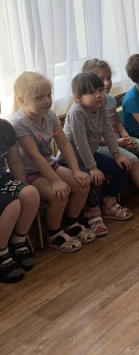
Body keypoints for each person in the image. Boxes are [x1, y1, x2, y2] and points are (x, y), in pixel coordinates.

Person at [11, 72, 93, 251]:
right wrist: (55, 181)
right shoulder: (19, 124)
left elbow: (63, 143)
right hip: (30, 172)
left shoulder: (50, 115)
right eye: (39, 97)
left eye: (48, 95)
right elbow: (35, 156)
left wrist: (75, 170)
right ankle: (54, 233)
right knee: (58, 195)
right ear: (22, 101)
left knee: (83, 184)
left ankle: (71, 222)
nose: (47, 101)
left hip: (50, 164)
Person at [82, 59, 139, 216]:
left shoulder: (110, 100)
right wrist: (118, 142)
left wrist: (125, 135)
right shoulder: (89, 108)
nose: (107, 83)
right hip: (102, 145)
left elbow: (117, 123)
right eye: (101, 79)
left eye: (109, 78)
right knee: (132, 160)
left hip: (119, 139)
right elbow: (94, 138)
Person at [60, 73, 132, 236]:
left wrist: (117, 156)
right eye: (91, 92)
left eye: (100, 90)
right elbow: (81, 143)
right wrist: (92, 168)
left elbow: (108, 131)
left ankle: (109, 203)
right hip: (70, 160)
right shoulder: (77, 112)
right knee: (94, 177)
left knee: (122, 167)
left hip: (89, 156)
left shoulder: (101, 105)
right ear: (78, 98)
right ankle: (92, 214)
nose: (98, 95)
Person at [0, 112, 40, 282]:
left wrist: (22, 186)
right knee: (12, 204)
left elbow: (15, 161)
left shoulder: (4, 127)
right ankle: (1, 252)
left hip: (2, 179)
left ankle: (18, 241)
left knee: (30, 194)